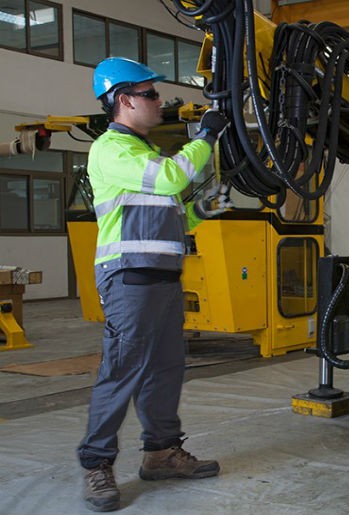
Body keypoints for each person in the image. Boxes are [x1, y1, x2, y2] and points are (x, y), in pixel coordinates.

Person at [78, 57, 232, 512]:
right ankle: (96, 463)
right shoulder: (111, 148)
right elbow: (170, 179)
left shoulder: (142, 154)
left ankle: (161, 452)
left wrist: (206, 208)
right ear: (123, 101)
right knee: (121, 371)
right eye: (150, 94)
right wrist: (205, 138)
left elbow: (173, 210)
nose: (159, 101)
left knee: (166, 369)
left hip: (161, 278)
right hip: (129, 277)